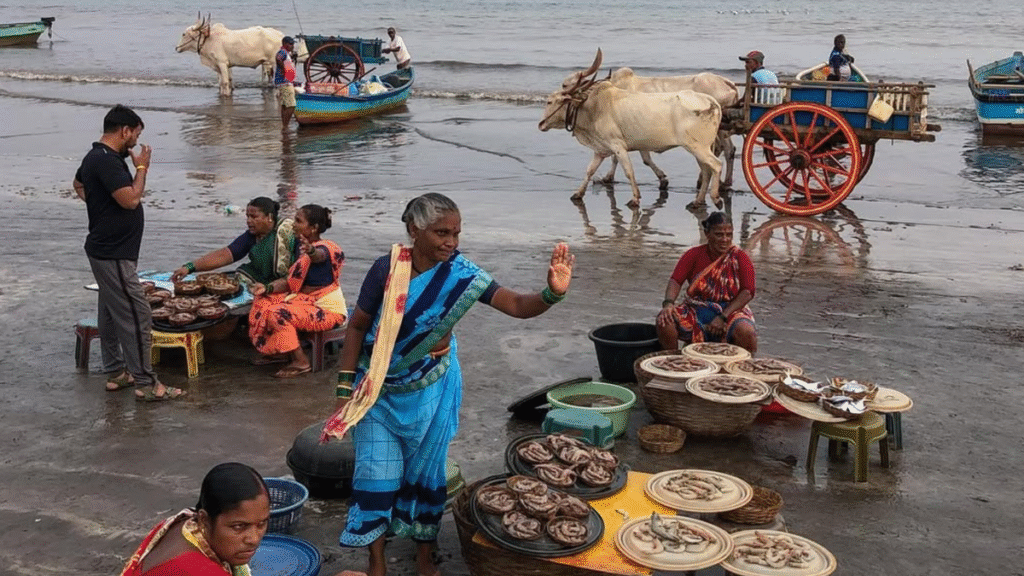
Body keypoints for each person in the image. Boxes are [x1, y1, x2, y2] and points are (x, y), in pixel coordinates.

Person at [321, 193, 574, 576]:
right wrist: (343, 393)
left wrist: (552, 294)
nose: (451, 242)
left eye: (456, 233)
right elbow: (356, 326)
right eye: (441, 233)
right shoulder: (385, 270)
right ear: (414, 230)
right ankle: (376, 563)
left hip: (431, 388)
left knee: (428, 474)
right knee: (375, 476)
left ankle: (426, 556)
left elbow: (518, 306)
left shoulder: (462, 274)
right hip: (378, 391)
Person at [72, 104, 184, 401]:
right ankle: (147, 384)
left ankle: (117, 372)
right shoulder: (107, 161)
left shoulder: (96, 156)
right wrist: (142, 168)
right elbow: (131, 200)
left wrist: (100, 206)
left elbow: (79, 184)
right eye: (135, 134)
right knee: (137, 313)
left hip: (107, 248)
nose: (136, 141)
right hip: (113, 252)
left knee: (109, 312)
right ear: (124, 131)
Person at [248, 204, 347, 377]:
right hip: (304, 302)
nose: (293, 224)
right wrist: (267, 288)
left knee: (277, 313)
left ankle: (301, 361)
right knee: (262, 300)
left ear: (314, 228)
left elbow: (319, 256)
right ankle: (280, 351)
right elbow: (290, 281)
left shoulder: (325, 248)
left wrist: (311, 250)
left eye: (298, 221)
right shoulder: (300, 246)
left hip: (327, 310)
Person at [119, 462, 270, 576]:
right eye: (238, 526)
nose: (254, 539)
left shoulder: (186, 520)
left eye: (261, 524)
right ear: (204, 519)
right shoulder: (197, 570)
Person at [656, 211, 757, 353]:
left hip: (731, 309)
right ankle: (672, 360)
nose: (724, 239)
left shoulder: (740, 257)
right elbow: (675, 280)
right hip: (697, 308)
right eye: (719, 235)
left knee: (747, 332)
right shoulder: (694, 254)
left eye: (729, 235)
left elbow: (748, 292)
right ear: (707, 234)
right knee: (664, 321)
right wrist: (668, 304)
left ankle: (744, 368)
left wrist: (723, 317)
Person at [170, 197, 296, 286]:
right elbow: (226, 254)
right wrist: (189, 267)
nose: (248, 221)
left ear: (269, 217)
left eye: (254, 217)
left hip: (289, 282)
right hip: (261, 281)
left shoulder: (288, 231)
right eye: (247, 216)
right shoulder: (252, 235)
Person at [275, 36, 297, 129]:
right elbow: (278, 58)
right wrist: (284, 69)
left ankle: (284, 125)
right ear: (285, 44)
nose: (292, 46)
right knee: (291, 105)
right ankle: (285, 125)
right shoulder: (283, 52)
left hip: (285, 81)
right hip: (285, 82)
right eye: (290, 44)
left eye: (293, 44)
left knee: (284, 105)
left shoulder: (286, 53)